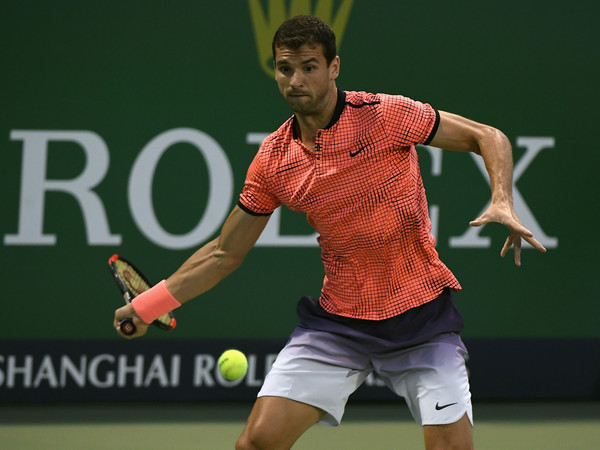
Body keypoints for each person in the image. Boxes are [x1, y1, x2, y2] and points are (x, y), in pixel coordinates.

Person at [114, 15, 546, 450]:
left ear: (334, 67)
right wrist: (148, 306)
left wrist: (502, 199)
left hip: (422, 319)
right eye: (285, 68)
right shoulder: (273, 160)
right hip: (340, 324)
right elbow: (225, 252)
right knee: (256, 444)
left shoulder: (385, 116)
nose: (295, 80)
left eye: (308, 67)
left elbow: (487, 137)